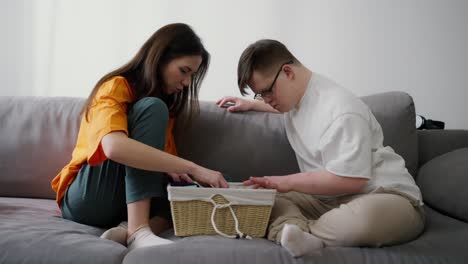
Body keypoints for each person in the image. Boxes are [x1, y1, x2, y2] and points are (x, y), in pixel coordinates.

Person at [216, 39, 425, 257]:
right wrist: (251, 103)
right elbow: (298, 111)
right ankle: (298, 235)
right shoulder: (296, 97)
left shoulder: (341, 110)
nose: (267, 100)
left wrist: (285, 181)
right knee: (268, 199)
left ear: (287, 72)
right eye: (261, 94)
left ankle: (301, 233)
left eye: (267, 91)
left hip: (385, 196)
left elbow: (352, 180)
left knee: (362, 220)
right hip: (327, 200)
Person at [51, 23, 228, 252]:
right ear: (160, 58)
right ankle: (138, 230)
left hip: (124, 203)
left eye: (191, 76)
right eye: (184, 71)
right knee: (153, 110)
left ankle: (128, 229)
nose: (186, 83)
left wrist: (193, 179)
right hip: (88, 199)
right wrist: (193, 167)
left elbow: (164, 165)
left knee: (191, 192)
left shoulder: (165, 106)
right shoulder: (115, 87)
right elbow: (113, 147)